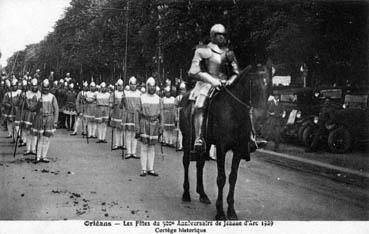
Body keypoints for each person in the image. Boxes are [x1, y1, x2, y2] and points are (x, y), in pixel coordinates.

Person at [188, 24, 245, 152]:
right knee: (200, 105)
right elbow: (193, 72)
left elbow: (236, 72)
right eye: (219, 35)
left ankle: (249, 136)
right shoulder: (202, 50)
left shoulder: (228, 53)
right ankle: (199, 138)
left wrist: (230, 81)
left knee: (243, 103)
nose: (222, 37)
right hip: (206, 83)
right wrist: (212, 80)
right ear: (213, 35)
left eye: (224, 35)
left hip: (225, 84)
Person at [138, 77, 163, 177]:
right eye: (150, 86)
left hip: (155, 124)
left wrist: (162, 125)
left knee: (152, 146)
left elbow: (161, 113)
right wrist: (137, 126)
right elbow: (137, 112)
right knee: (144, 146)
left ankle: (151, 169)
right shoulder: (142, 97)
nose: (152, 88)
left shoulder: (158, 99)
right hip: (144, 122)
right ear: (147, 86)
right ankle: (143, 169)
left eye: (154, 86)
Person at [31, 79, 59, 163]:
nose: (46, 89)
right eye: (44, 87)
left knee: (46, 138)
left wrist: (55, 121)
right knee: (40, 138)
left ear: (49, 87)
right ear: (42, 87)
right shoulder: (38, 96)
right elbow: (33, 108)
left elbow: (56, 109)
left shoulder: (52, 96)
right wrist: (38, 104)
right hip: (39, 118)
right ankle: (38, 156)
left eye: (47, 87)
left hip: (49, 118)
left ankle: (44, 156)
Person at [122, 76, 141, 159]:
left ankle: (134, 152)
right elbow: (121, 105)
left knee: (135, 134)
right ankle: (129, 152)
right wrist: (122, 100)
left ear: (136, 85)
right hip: (128, 114)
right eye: (131, 84)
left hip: (136, 115)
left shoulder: (139, 93)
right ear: (129, 84)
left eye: (134, 84)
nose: (133, 86)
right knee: (128, 134)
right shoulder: (126, 93)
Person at [24, 78, 41, 155]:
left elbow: (40, 104)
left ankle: (33, 149)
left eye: (35, 86)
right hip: (29, 114)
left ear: (37, 86)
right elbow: (26, 103)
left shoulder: (40, 94)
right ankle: (28, 149)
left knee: (34, 133)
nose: (34, 87)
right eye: (33, 86)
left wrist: (36, 109)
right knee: (28, 132)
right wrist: (29, 106)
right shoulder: (27, 93)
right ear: (31, 86)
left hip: (36, 114)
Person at [110, 79, 125, 150]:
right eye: (118, 86)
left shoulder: (125, 93)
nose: (120, 87)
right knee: (116, 129)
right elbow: (111, 103)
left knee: (122, 129)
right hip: (116, 112)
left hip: (122, 113)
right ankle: (116, 144)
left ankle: (122, 144)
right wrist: (112, 106)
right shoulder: (114, 93)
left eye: (121, 86)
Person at [175, 82, 186, 150]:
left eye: (184, 89)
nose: (183, 91)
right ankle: (180, 145)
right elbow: (175, 107)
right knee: (179, 131)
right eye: (182, 90)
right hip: (180, 114)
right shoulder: (178, 98)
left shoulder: (188, 96)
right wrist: (176, 116)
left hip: (186, 115)